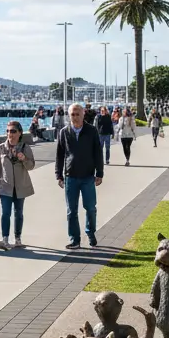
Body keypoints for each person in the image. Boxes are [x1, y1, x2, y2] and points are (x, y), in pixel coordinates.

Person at [55, 103, 104, 249]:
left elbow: (98, 153)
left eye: (78, 114)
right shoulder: (64, 132)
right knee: (71, 211)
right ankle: (75, 239)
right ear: (69, 116)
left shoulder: (92, 131)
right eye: (72, 114)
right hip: (70, 176)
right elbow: (59, 155)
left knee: (90, 208)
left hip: (88, 176)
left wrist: (99, 173)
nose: (75, 117)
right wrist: (58, 175)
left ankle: (90, 232)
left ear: (83, 115)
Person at [0, 120, 35, 250]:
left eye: (13, 131)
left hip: (20, 186)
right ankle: (5, 239)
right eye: (8, 131)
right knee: (5, 213)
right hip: (5, 186)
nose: (10, 134)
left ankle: (17, 239)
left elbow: (31, 166)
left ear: (20, 133)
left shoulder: (25, 148)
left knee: (19, 213)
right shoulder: (1, 148)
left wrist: (23, 159)